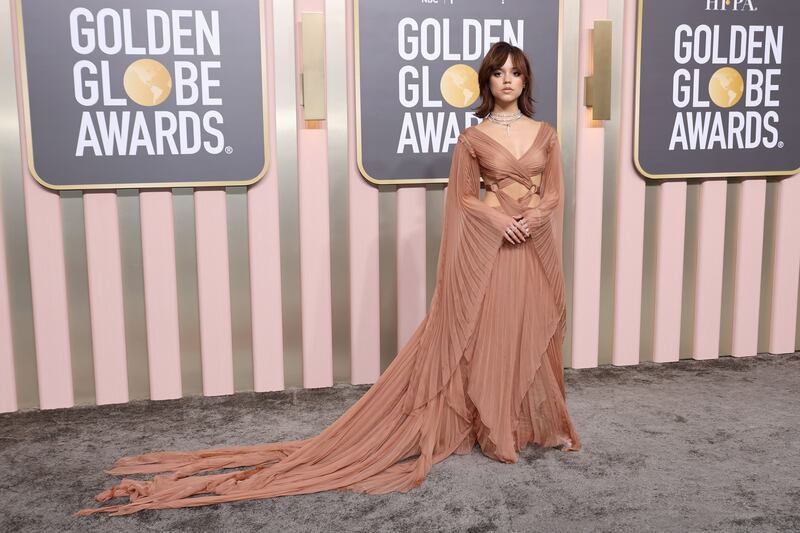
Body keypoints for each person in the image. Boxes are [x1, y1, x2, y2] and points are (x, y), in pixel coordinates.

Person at [76, 41, 581, 517]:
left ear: (525, 78)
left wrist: (533, 221)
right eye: (499, 72)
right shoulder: (472, 138)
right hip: (494, 245)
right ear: (486, 81)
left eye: (515, 72)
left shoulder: (546, 133)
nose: (507, 80)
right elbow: (466, 199)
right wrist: (499, 221)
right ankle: (494, 430)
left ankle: (523, 421)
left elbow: (554, 191)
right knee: (486, 333)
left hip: (530, 244)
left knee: (525, 328)